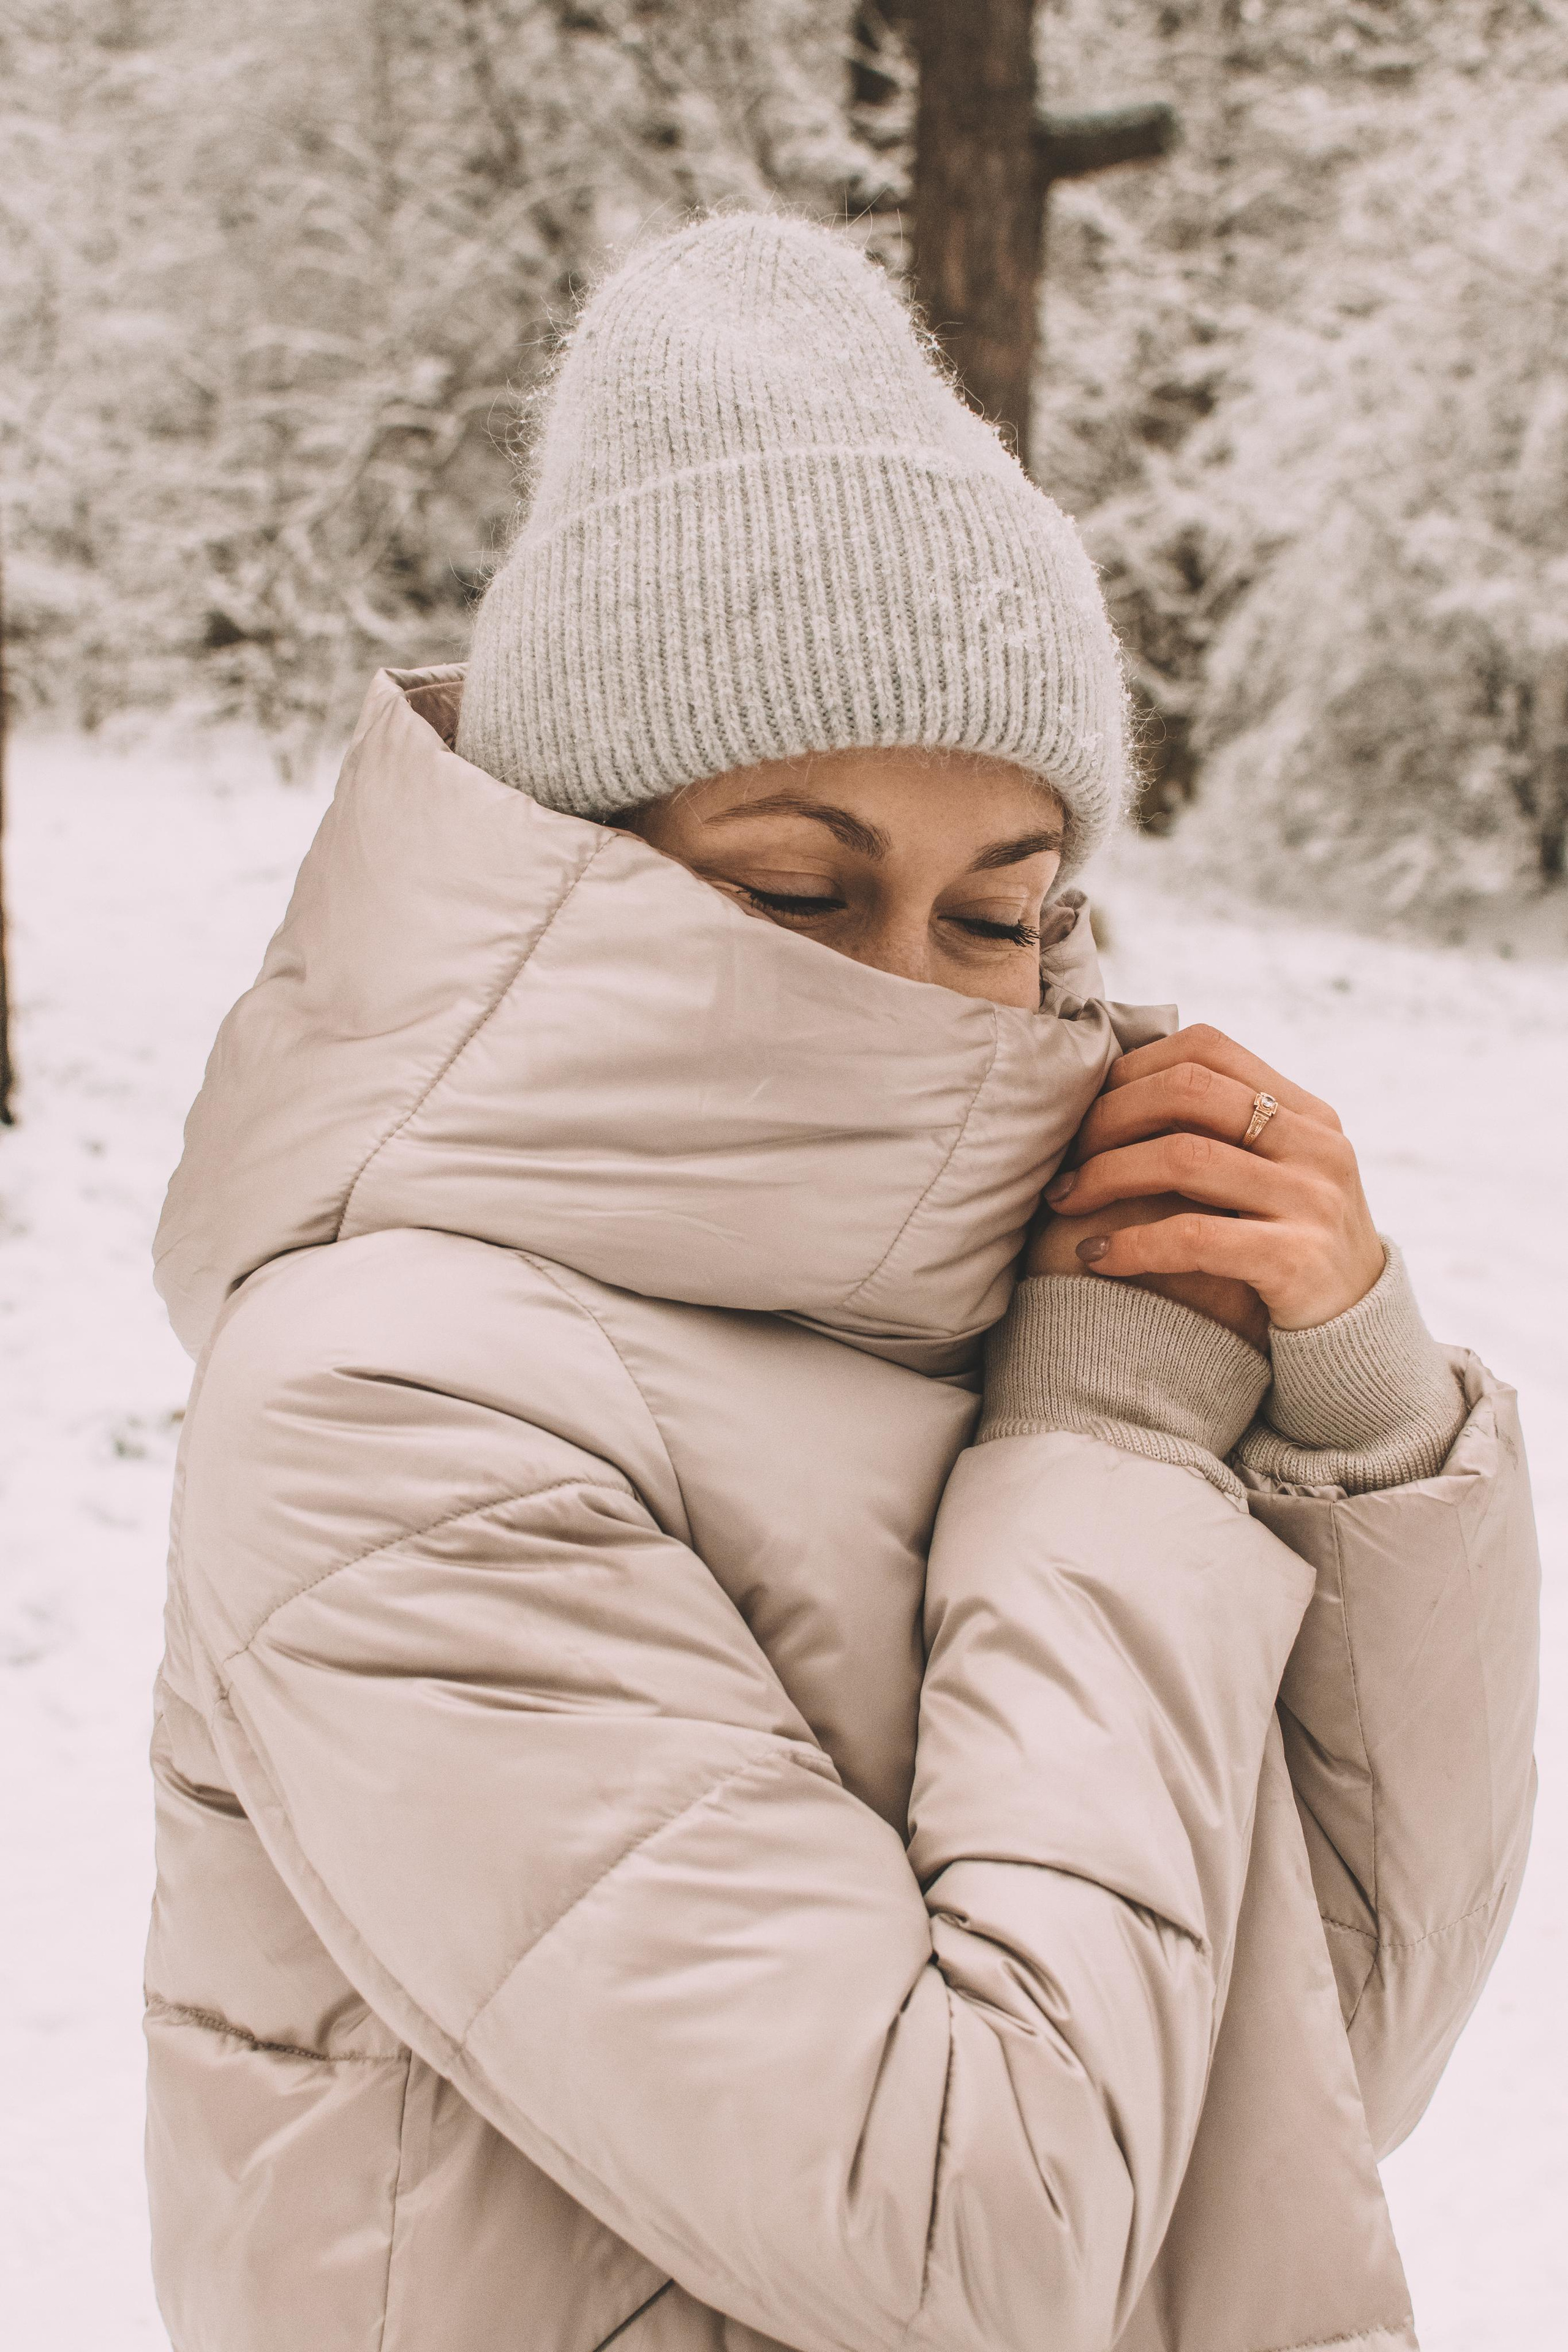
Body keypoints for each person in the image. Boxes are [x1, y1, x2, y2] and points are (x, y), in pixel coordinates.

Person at [146, 214, 1538, 2352]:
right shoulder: (387, 1409)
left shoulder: (1008, 1303)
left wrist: (1356, 1432)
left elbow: (1299, 2074)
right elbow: (983, 2245)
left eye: (997, 918)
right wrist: (1111, 1455)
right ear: (575, 846)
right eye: (795, 890)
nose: (918, 1005)